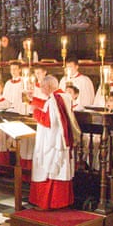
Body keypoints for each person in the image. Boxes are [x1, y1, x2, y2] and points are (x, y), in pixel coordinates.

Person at [29, 75, 77, 210]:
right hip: (62, 140)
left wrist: (35, 112)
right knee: (59, 168)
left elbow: (49, 121)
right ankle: (61, 202)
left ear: (48, 86)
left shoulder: (54, 100)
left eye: (43, 87)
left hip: (52, 141)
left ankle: (47, 203)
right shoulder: (64, 96)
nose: (42, 90)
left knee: (48, 168)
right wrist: (34, 101)